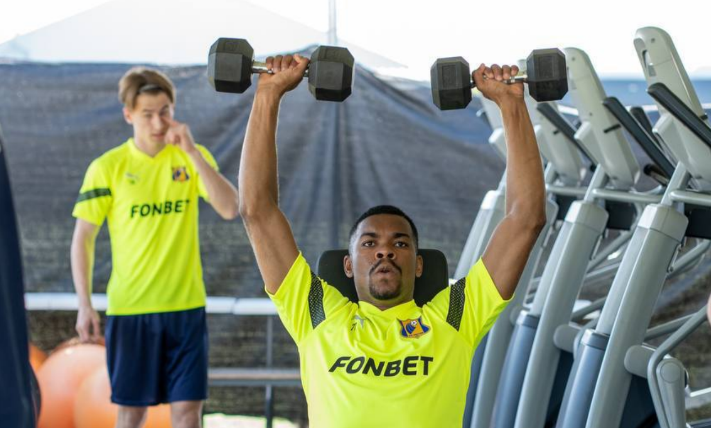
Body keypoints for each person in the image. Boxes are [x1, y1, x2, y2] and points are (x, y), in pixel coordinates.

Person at [238, 54, 546, 427]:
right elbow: (257, 211)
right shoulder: (317, 314)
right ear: (348, 265)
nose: (384, 250)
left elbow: (525, 220)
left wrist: (512, 105)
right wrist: (267, 94)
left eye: (400, 244)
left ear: (419, 264)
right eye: (369, 244)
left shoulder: (453, 318)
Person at [71, 66, 238, 428]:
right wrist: (84, 304)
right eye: (147, 114)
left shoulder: (191, 157)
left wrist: (191, 152)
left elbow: (230, 207)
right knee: (131, 415)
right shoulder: (108, 167)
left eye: (165, 111)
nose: (159, 122)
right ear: (128, 115)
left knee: (187, 415)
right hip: (130, 310)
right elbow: (83, 237)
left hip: (186, 308)